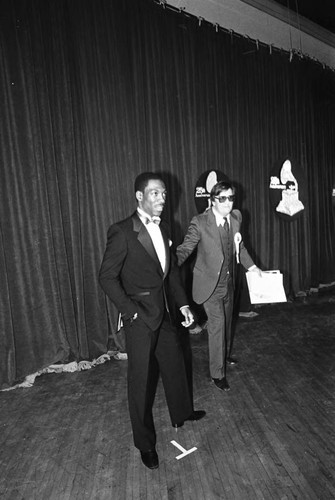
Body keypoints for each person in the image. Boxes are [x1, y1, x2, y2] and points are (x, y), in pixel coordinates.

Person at [99, 172, 205, 470]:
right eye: (155, 193)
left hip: (167, 314)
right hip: (140, 319)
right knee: (141, 383)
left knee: (175, 366)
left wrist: (183, 304)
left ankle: (182, 412)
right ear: (139, 196)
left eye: (164, 194)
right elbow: (106, 277)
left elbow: (169, 273)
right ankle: (145, 444)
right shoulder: (122, 231)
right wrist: (131, 310)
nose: (162, 199)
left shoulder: (167, 228)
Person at [177, 181, 262, 392]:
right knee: (217, 327)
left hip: (228, 283)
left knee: (227, 323)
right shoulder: (199, 222)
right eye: (222, 198)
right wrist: (168, 264)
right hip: (209, 285)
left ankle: (224, 356)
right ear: (212, 200)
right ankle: (217, 373)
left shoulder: (236, 217)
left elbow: (238, 246)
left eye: (230, 198)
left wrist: (253, 268)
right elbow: (186, 248)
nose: (227, 203)